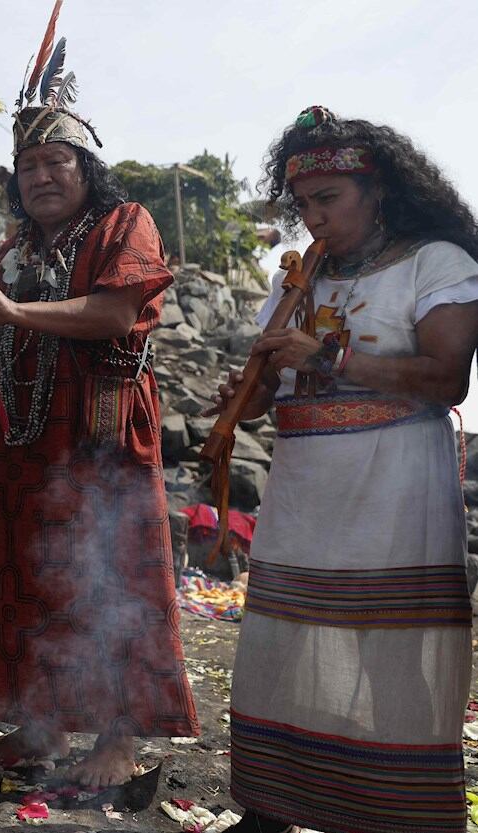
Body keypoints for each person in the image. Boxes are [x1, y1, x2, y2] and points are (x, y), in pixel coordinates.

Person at [0, 49, 199, 789]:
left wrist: (9, 306)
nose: (41, 176)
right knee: (31, 578)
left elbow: (114, 310)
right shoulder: (14, 245)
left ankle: (118, 737)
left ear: (86, 167)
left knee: (116, 576)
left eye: (56, 161)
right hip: (28, 439)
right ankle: (38, 724)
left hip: (100, 433)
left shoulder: (125, 223)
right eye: (29, 165)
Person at [207, 106, 478, 833]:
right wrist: (242, 394)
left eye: (328, 199)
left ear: (378, 188)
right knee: (284, 643)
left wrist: (327, 357)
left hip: (394, 485)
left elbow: (448, 378)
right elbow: (266, 392)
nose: (313, 217)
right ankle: (273, 805)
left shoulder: (438, 262)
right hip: (303, 490)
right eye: (302, 205)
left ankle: (402, 817)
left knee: (392, 653)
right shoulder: (300, 276)